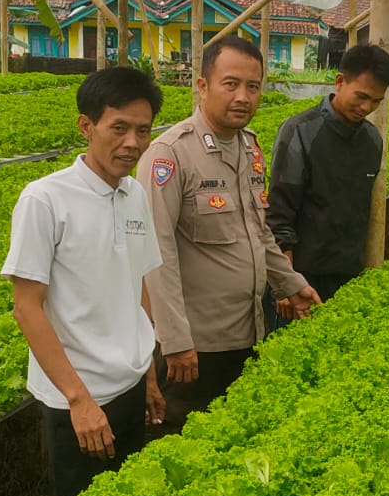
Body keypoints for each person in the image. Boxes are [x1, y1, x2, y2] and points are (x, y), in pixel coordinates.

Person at [1, 67, 166, 496]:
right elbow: (26, 308)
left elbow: (137, 284)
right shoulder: (45, 199)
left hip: (130, 384)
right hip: (78, 397)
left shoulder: (134, 194)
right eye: (119, 128)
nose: (132, 142)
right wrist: (79, 401)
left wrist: (148, 372)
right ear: (86, 126)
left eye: (143, 130)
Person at [137, 35, 320, 425]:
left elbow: (258, 231)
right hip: (195, 347)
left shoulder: (249, 148)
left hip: (247, 331)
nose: (243, 97)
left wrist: (290, 283)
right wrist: (175, 340)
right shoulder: (170, 154)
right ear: (202, 86)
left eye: (253, 87)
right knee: (184, 440)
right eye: (231, 84)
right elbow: (155, 254)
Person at [265, 44, 389, 313]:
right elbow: (279, 214)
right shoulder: (300, 131)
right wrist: (286, 283)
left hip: (348, 278)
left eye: (376, 101)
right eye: (361, 96)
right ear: (340, 82)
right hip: (303, 279)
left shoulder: (372, 140)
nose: (367, 107)